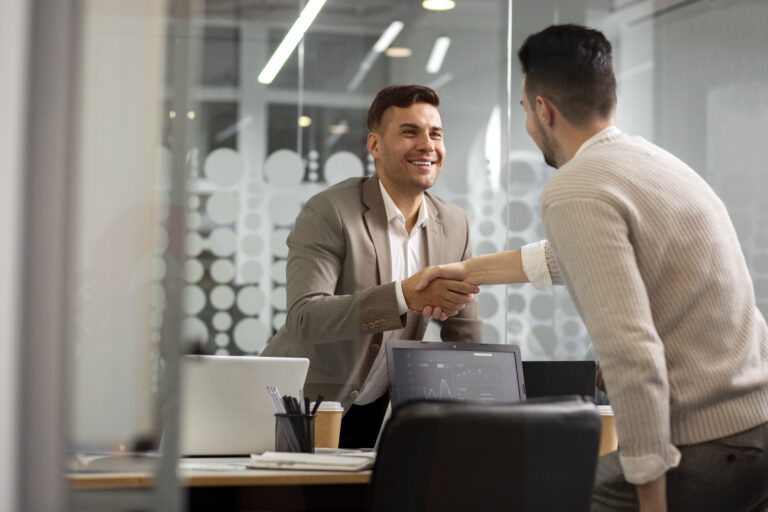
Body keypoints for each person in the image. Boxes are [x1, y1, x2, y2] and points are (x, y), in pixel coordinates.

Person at [412, 25, 768, 511]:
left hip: (704, 447)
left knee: (518, 494)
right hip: (754, 430)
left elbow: (630, 351)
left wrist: (650, 495)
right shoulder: (653, 164)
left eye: (524, 111)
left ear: (543, 110)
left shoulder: (576, 186)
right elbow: (572, 256)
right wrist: (465, 271)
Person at [261, 84, 553, 448]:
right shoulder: (331, 211)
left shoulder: (454, 222)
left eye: (435, 134)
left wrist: (477, 416)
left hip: (374, 408)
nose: (427, 144)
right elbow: (305, 317)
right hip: (301, 406)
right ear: (374, 146)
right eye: (409, 132)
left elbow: (462, 330)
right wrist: (403, 296)